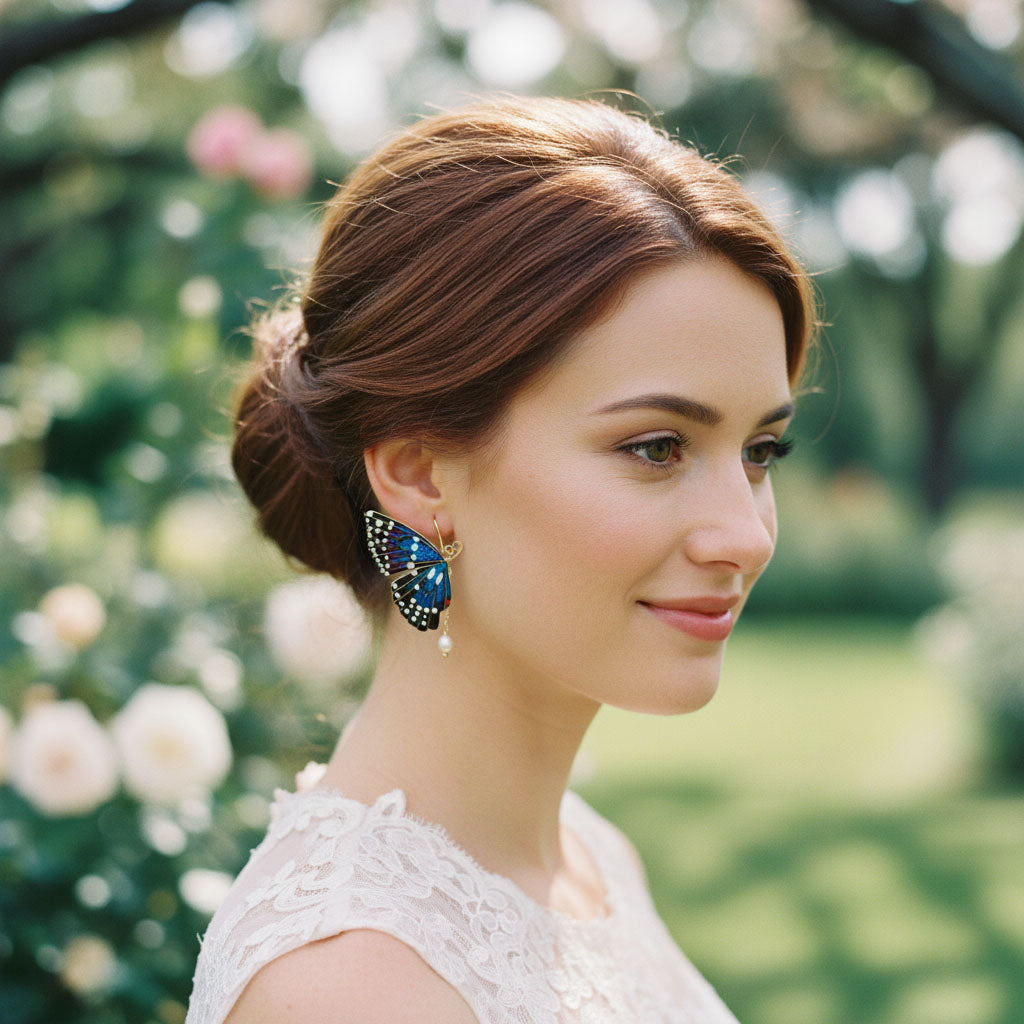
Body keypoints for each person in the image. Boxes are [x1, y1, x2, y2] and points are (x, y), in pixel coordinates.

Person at [185, 95, 815, 1024]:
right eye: (656, 447)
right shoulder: (351, 987)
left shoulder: (591, 860)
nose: (746, 535)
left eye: (760, 453)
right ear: (417, 473)